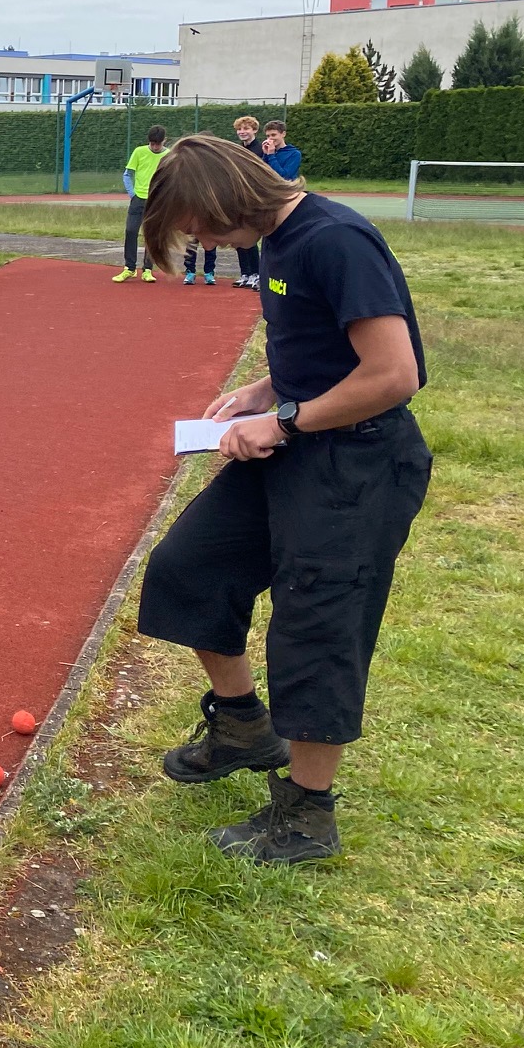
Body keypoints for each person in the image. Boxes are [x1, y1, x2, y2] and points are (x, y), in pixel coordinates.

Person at [136, 135, 430, 864]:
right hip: (296, 446)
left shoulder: (335, 240)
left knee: (317, 622)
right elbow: (321, 342)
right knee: (188, 569)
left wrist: (285, 420)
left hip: (358, 462)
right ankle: (242, 729)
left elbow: (395, 374)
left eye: (199, 227)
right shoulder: (273, 241)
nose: (203, 243)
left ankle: (306, 817)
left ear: (224, 199)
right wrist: (266, 389)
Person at [113, 125, 168, 283]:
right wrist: (133, 194)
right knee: (131, 230)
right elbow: (127, 174)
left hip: (156, 201)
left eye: (158, 144)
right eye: (152, 143)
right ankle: (129, 268)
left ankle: (148, 269)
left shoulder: (169, 155)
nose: (155, 147)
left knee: (151, 234)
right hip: (138, 199)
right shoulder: (139, 152)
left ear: (164, 141)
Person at [229, 117, 264, 288]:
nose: (242, 132)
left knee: (249, 235)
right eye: (239, 129)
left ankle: (256, 273)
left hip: (253, 198)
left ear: (254, 130)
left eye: (246, 129)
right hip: (238, 198)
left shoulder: (261, 149)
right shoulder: (237, 150)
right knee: (238, 235)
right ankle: (245, 273)